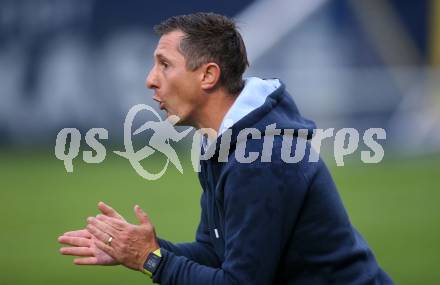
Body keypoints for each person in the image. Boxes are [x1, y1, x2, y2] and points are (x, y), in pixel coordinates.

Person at [58, 12, 394, 284]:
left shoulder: (261, 155)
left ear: (208, 75)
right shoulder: (226, 142)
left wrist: (150, 259)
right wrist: (145, 249)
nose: (150, 79)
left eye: (164, 64)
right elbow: (215, 252)